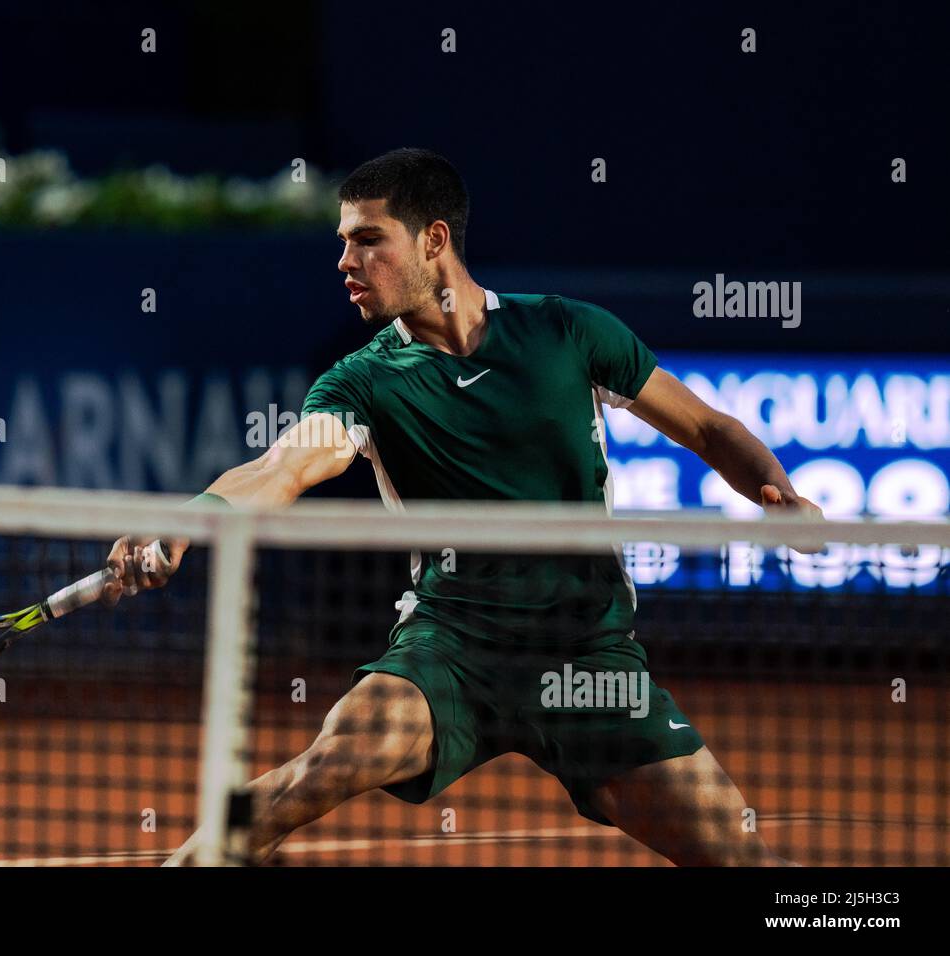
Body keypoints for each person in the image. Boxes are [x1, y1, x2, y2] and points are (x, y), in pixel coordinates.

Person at [104, 147, 822, 866]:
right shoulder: (362, 381)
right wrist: (193, 518)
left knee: (741, 860)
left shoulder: (566, 332)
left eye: (367, 239)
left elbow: (707, 427)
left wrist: (775, 489)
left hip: (585, 657)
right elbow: (281, 466)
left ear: (434, 240)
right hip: (450, 650)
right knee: (313, 773)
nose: (345, 262)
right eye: (342, 242)